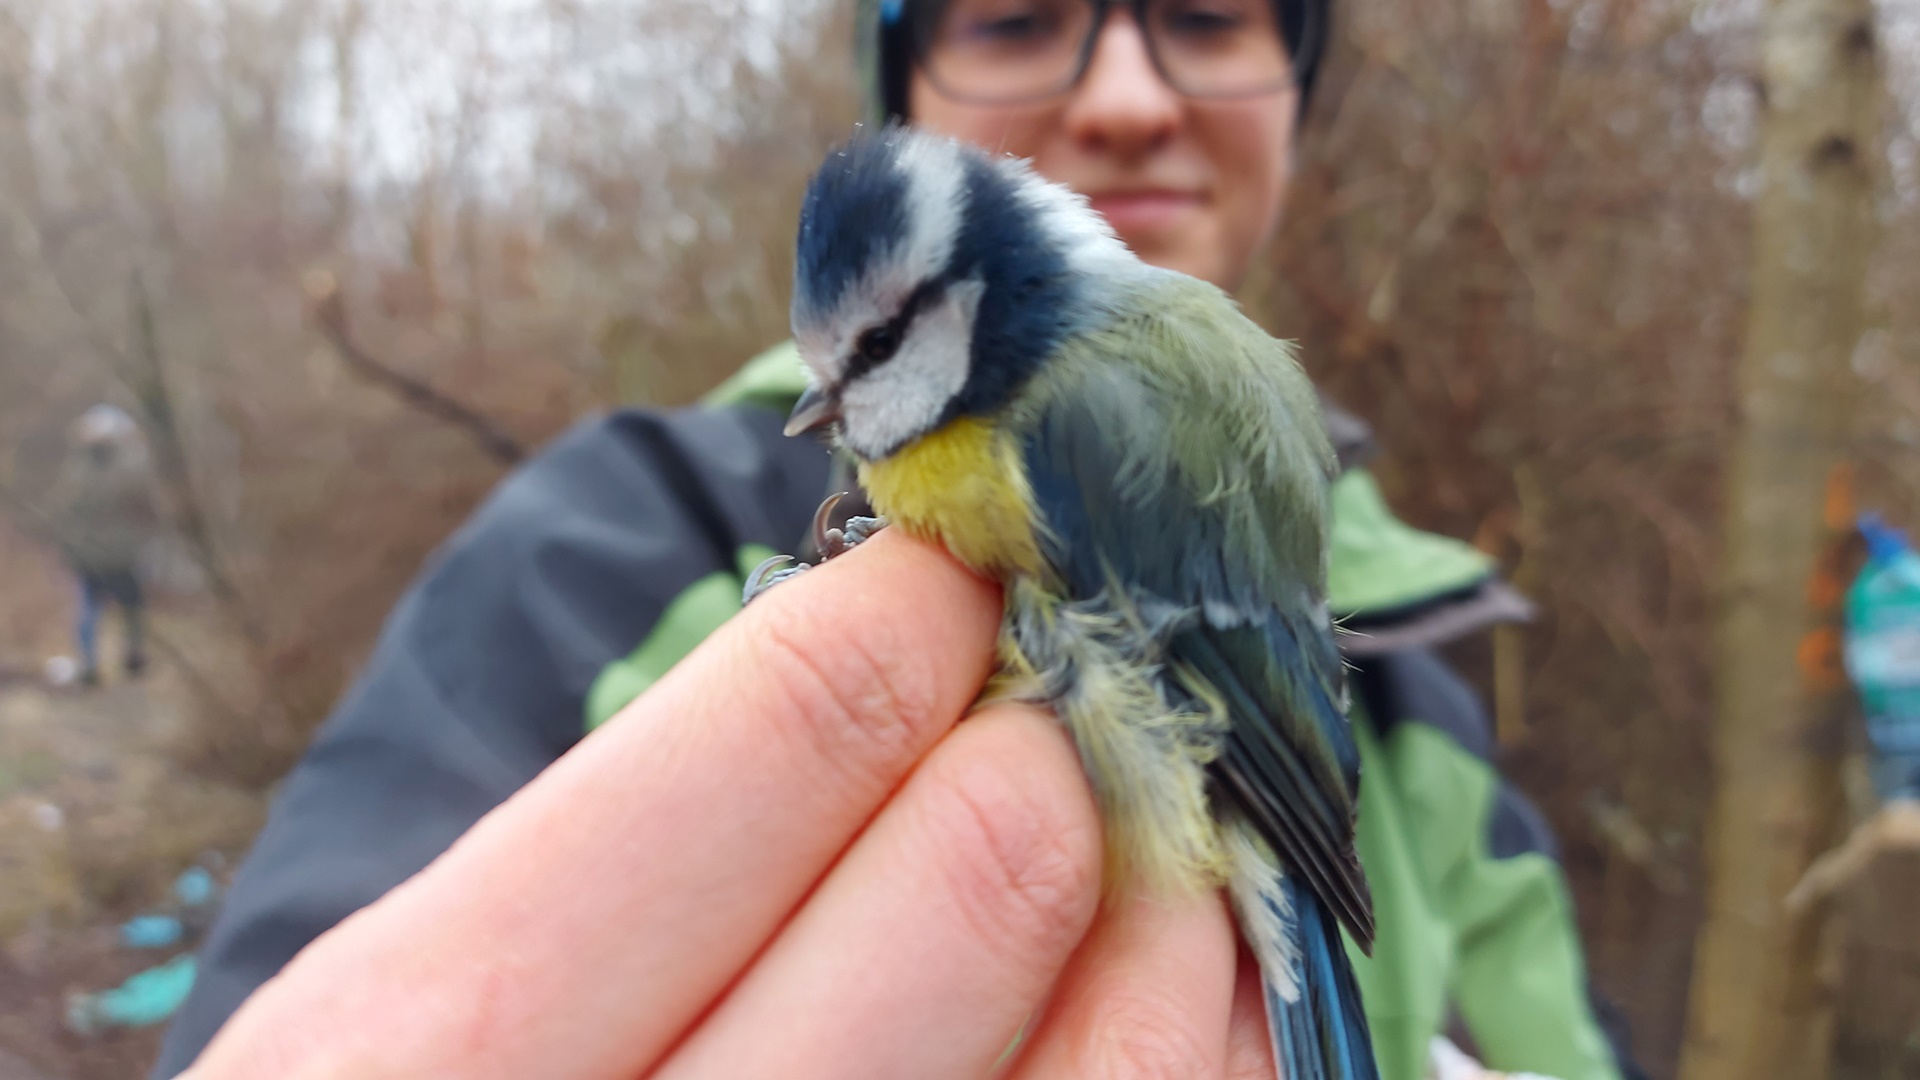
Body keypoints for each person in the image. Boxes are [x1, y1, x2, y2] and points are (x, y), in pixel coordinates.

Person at [155, 3, 1642, 1078]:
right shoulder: (610, 551)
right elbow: (316, 976)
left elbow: (1242, 758)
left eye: (1204, 15)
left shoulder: (1095, 414)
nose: (837, 415)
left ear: (976, 298)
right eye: (1013, 20)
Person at [48, 405, 157, 686]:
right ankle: (127, 657)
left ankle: (93, 664)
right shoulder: (131, 468)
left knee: (92, 607)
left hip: (96, 553)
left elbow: (67, 510)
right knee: (125, 606)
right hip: (116, 554)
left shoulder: (79, 471)